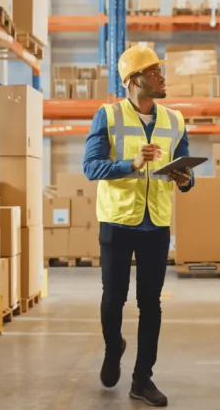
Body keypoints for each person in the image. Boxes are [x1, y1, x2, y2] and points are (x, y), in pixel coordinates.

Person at [82, 44, 194, 408]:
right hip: (117, 221)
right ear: (134, 80)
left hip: (156, 224)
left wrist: (185, 180)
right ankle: (113, 347)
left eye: (161, 71)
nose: (162, 77)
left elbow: (185, 170)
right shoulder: (108, 116)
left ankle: (142, 379)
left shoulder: (175, 120)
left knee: (151, 304)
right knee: (113, 298)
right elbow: (91, 167)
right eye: (154, 72)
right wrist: (130, 164)